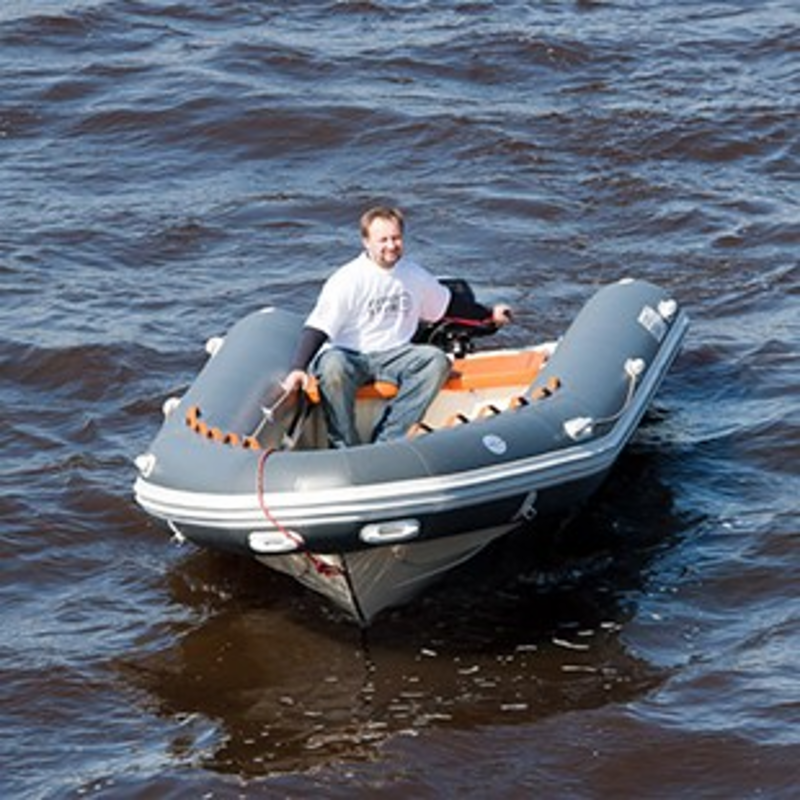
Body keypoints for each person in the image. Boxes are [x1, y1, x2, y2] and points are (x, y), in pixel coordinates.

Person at [282, 206, 512, 447]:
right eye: (383, 240)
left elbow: (447, 305)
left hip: (396, 355)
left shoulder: (414, 275)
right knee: (332, 367)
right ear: (366, 242)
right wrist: (298, 368)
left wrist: (489, 314)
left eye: (396, 238)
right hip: (349, 355)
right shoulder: (347, 280)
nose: (391, 245)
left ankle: (388, 439)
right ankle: (344, 446)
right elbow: (318, 326)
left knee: (436, 361)